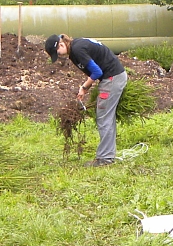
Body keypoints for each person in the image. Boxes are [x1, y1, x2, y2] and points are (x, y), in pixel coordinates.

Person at [45, 33, 127, 167]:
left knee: (104, 116)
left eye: (57, 52)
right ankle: (108, 155)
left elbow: (97, 72)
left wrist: (84, 87)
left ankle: (105, 159)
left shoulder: (77, 49)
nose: (58, 55)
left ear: (61, 44)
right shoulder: (75, 47)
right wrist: (85, 88)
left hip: (112, 78)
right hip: (113, 77)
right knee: (106, 116)